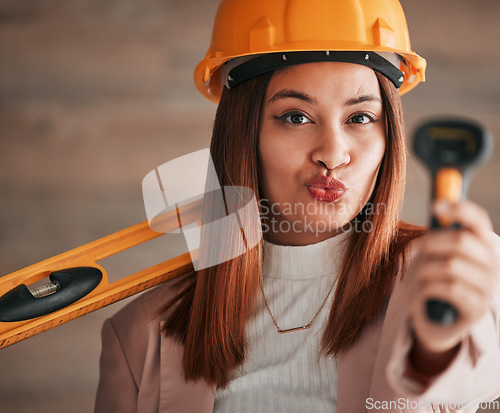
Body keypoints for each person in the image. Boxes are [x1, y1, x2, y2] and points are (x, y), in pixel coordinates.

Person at [94, 0, 500, 412]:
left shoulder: (458, 271)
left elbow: (465, 373)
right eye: (296, 117)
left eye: (360, 118)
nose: (333, 153)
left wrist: (435, 345)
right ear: (243, 132)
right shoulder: (138, 337)